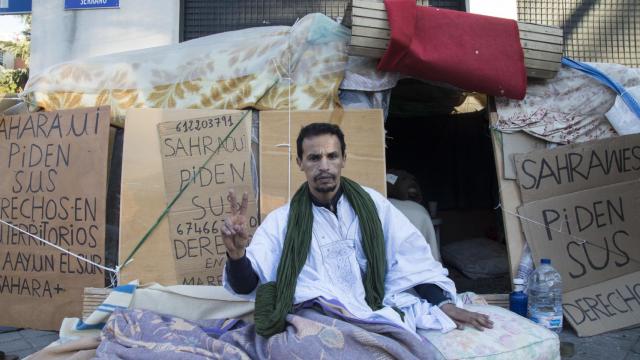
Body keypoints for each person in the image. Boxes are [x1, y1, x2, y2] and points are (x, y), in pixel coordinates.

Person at [222, 122, 492, 339]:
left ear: (344, 160)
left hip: (374, 310)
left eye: (332, 156)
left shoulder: (374, 205)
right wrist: (237, 256)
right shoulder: (282, 221)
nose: (324, 166)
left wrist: (443, 305)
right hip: (318, 318)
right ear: (300, 163)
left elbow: (410, 260)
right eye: (314, 158)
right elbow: (248, 284)